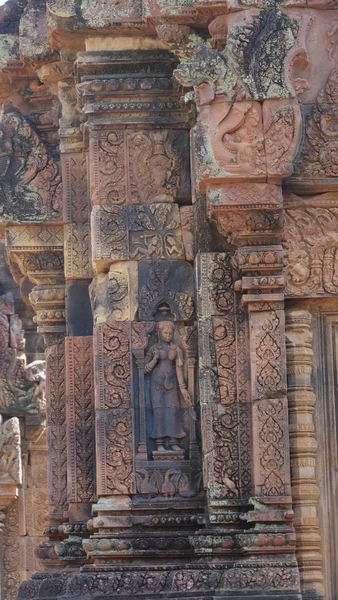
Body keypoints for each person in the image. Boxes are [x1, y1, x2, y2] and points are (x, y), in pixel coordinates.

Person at [145, 321, 191, 452]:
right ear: (160, 333)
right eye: (165, 333)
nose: (168, 336)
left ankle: (173, 441)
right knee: (159, 411)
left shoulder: (176, 349)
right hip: (157, 384)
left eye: (170, 333)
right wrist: (154, 359)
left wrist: (183, 388)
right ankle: (159, 443)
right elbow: (144, 369)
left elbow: (179, 370)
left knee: (173, 411)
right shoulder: (154, 348)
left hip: (172, 383)